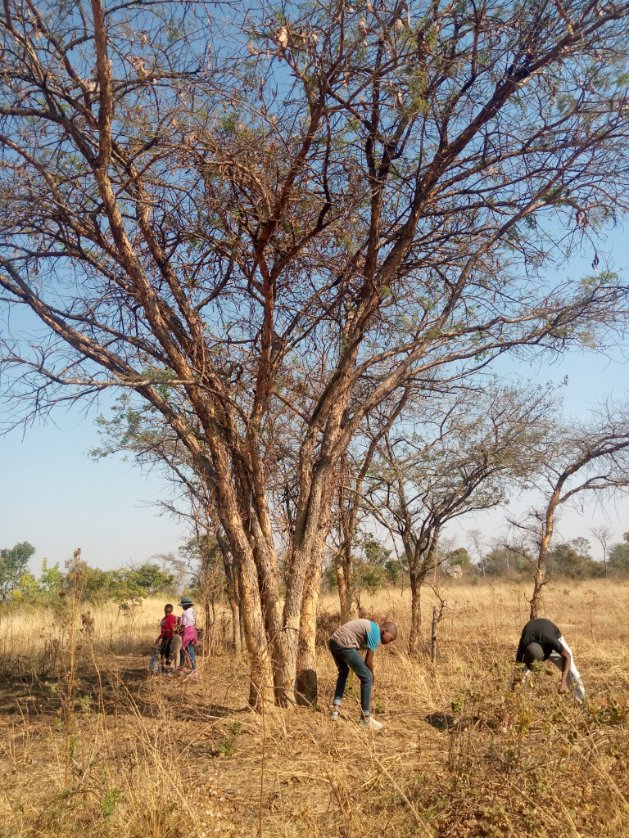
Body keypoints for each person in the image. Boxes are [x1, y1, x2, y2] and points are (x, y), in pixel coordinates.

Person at [328, 618, 397, 729]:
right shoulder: (375, 633)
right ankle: (365, 718)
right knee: (367, 677)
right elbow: (368, 661)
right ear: (385, 631)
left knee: (343, 672)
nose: (389, 642)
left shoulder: (372, 628)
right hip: (344, 644)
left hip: (333, 642)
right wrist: (372, 676)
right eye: (391, 639)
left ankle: (335, 710)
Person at [511, 617, 585, 702]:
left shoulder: (552, 641)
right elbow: (518, 665)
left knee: (572, 672)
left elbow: (567, 656)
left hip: (551, 637)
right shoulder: (524, 644)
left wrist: (563, 681)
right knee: (517, 677)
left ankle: (581, 700)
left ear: (543, 658)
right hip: (534, 637)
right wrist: (516, 683)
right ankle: (512, 701)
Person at [178, 595, 198, 679]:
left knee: (186, 650)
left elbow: (183, 624)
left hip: (187, 632)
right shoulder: (193, 611)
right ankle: (184, 667)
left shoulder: (184, 613)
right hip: (193, 630)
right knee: (188, 649)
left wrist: (178, 629)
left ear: (185, 606)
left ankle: (193, 670)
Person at [155, 603, 177, 672]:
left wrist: (172, 634)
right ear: (164, 610)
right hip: (164, 637)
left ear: (171, 611)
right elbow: (162, 631)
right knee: (161, 653)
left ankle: (167, 668)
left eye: (169, 612)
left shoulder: (172, 617)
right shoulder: (163, 619)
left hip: (169, 637)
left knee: (167, 653)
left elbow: (171, 628)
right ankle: (162, 668)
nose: (167, 613)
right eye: (166, 611)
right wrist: (159, 638)